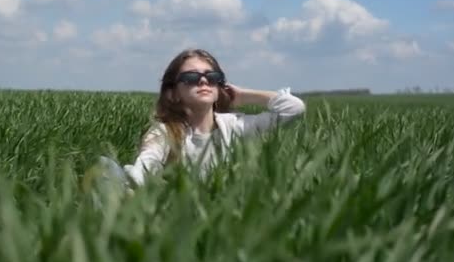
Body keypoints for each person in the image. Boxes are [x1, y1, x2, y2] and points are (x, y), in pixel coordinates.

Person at [99, 48, 306, 190]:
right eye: (191, 78)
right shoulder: (165, 132)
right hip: (175, 214)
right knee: (104, 166)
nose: (204, 81)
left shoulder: (234, 127)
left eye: (213, 77)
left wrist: (244, 95)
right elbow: (146, 166)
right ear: (173, 93)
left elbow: (293, 109)